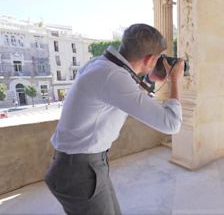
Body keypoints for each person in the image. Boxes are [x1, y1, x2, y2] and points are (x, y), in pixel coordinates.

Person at [45, 24, 184, 214]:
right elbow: (172, 124)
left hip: (81, 165)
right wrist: (175, 79)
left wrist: (150, 74)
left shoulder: (99, 64)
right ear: (150, 58)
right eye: (158, 59)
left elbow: (127, 93)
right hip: (79, 171)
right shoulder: (112, 76)